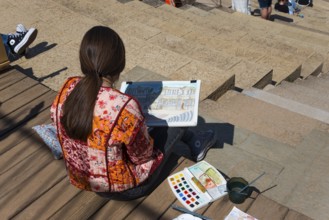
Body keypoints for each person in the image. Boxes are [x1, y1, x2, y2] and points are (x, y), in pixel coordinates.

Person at [50, 26, 216, 200]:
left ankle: (186, 138)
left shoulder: (67, 88)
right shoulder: (125, 107)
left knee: (129, 131)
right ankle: (195, 143)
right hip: (126, 189)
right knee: (180, 117)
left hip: (82, 178)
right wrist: (139, 125)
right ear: (120, 64)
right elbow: (142, 157)